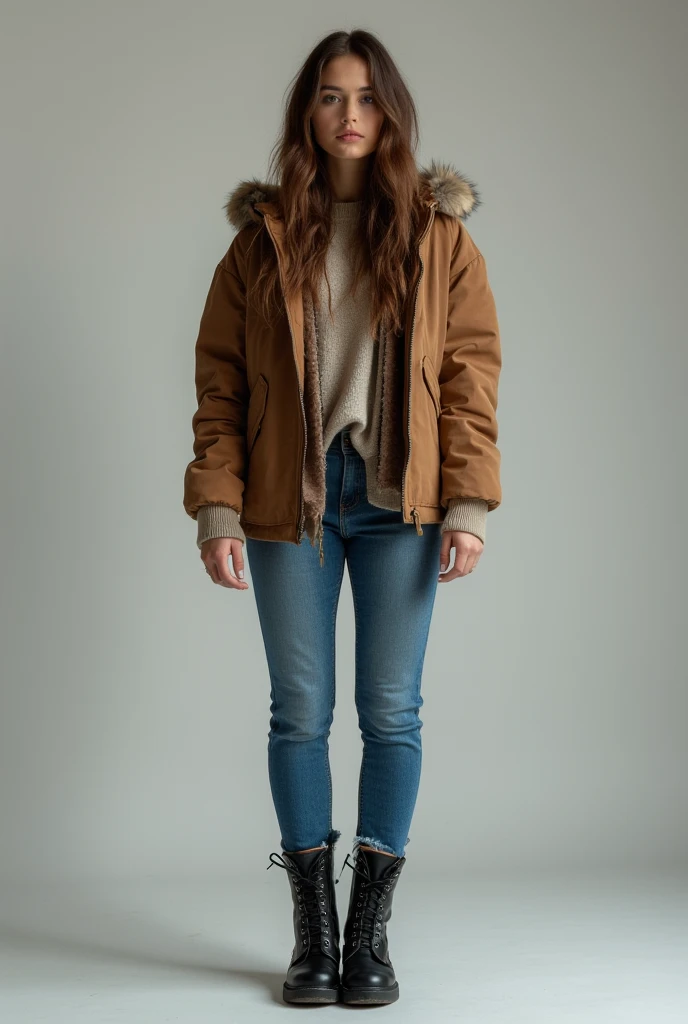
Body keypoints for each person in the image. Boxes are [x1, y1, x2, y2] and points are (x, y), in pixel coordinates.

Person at [182, 28, 502, 1007]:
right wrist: (218, 507)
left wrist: (468, 501)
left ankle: (370, 937)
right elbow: (221, 382)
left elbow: (468, 378)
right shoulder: (263, 240)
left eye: (365, 97)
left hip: (398, 497)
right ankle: (312, 936)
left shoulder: (438, 238)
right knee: (299, 713)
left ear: (390, 112)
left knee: (391, 712)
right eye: (329, 96)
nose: (349, 114)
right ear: (307, 114)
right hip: (292, 498)